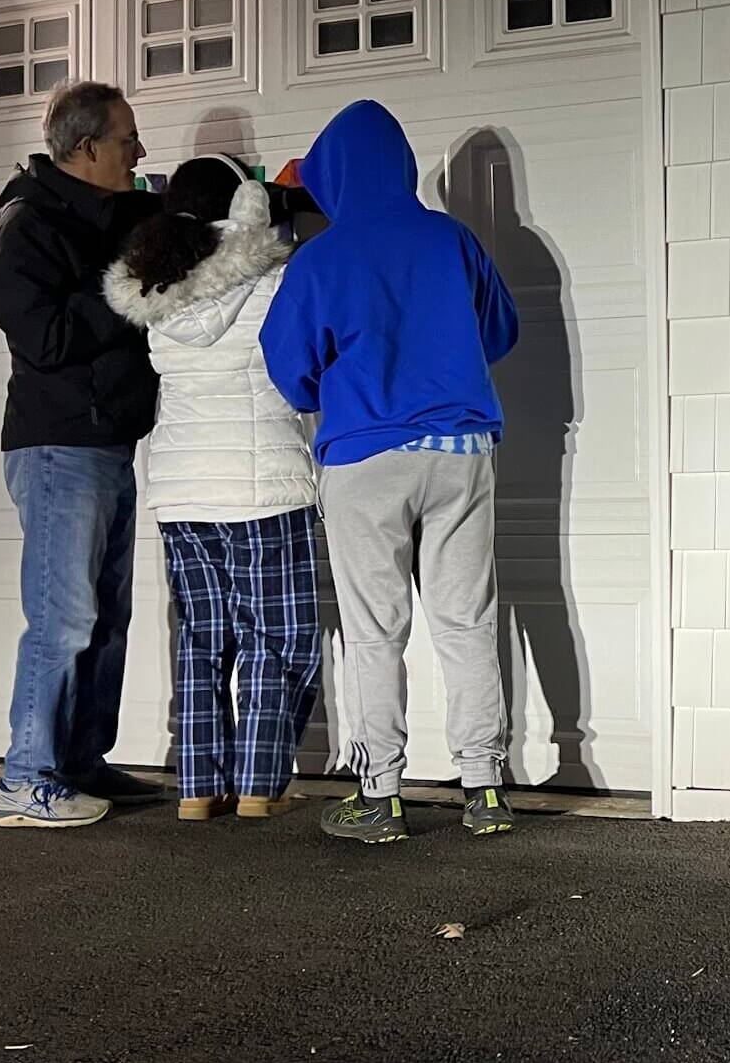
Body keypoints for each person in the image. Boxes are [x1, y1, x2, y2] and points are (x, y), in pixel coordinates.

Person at [259, 101, 520, 844]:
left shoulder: (324, 257)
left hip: (367, 456)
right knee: (466, 622)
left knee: (375, 634)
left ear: (336, 177)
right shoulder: (451, 239)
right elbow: (500, 329)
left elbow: (289, 367)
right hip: (462, 449)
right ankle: (486, 789)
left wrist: (343, 393)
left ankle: (380, 798)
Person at [104, 156, 320, 823]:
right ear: (245, 200)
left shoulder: (157, 285)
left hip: (182, 491)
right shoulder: (272, 271)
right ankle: (259, 787)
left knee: (201, 636)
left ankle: (199, 788)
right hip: (265, 490)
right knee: (276, 637)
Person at [0, 82, 166, 828]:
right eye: (128, 139)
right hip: (57, 446)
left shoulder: (107, 215)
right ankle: (23, 779)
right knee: (62, 617)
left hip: (107, 442)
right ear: (86, 148)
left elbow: (173, 231)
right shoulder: (26, 228)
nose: (140, 152)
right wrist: (124, 287)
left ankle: (81, 761)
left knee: (105, 617)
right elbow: (46, 338)